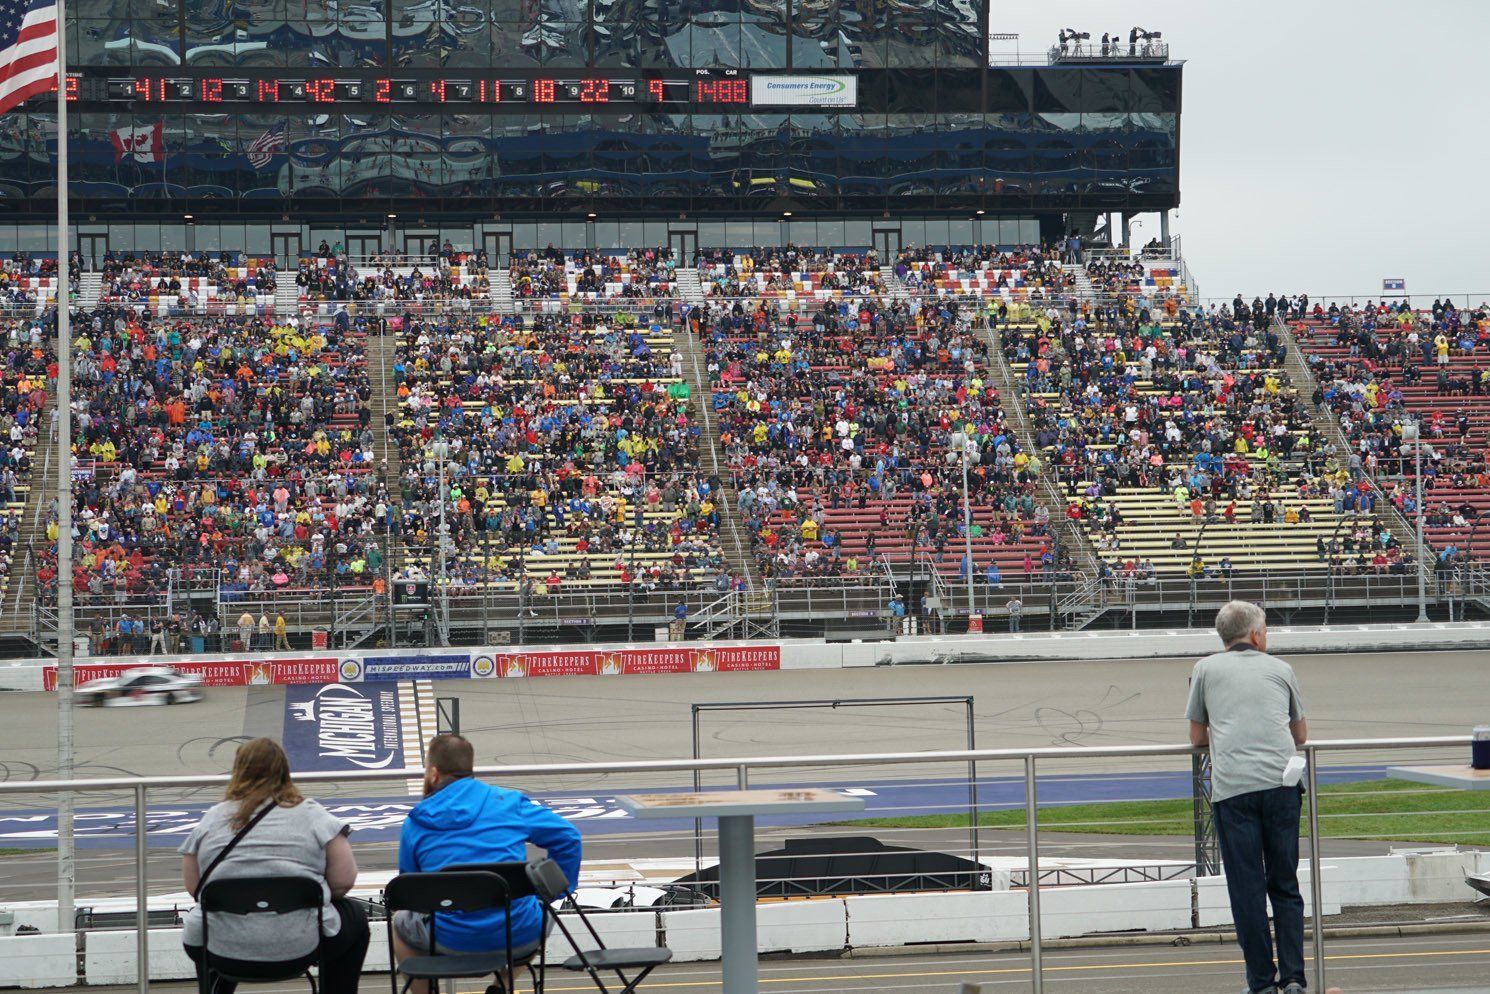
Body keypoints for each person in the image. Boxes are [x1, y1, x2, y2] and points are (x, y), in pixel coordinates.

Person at [179, 738, 369, 994]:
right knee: (354, 914)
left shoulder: (211, 819)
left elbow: (195, 888)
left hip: (224, 948)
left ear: (237, 771)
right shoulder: (314, 815)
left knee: (210, 918)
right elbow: (344, 881)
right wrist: (311, 896)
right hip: (300, 946)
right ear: (284, 771)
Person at [394, 735, 582, 989]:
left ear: (434, 774)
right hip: (517, 936)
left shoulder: (415, 822)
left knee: (399, 923)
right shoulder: (508, 803)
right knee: (542, 909)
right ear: (471, 770)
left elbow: (411, 890)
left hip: (450, 940)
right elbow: (568, 837)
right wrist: (561, 888)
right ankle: (503, 985)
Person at [1186, 602, 1308, 994]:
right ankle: (1293, 980)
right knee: (1285, 885)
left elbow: (1197, 739)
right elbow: (1300, 734)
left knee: (1246, 890)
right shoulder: (1280, 669)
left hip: (1233, 789)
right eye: (1267, 631)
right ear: (1256, 636)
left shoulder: (1204, 669)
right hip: (1280, 786)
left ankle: (1261, 982)